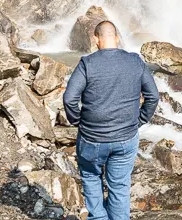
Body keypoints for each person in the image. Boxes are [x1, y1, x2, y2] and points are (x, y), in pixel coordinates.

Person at [63, 21, 159, 220]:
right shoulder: (135, 61)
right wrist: (140, 120)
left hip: (91, 138)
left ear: (95, 39)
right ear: (116, 38)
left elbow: (69, 98)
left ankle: (98, 217)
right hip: (126, 137)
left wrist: (77, 122)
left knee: (91, 178)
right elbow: (153, 97)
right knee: (119, 185)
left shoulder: (87, 63)